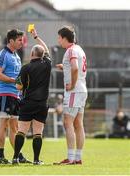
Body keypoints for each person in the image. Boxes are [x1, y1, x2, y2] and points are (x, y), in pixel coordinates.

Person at [12, 27, 51, 165]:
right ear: (43, 55)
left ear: (32, 54)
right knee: (38, 133)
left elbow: (18, 86)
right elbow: (46, 49)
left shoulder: (25, 68)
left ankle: (15, 158)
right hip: (42, 104)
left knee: (21, 131)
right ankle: (36, 160)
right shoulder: (47, 64)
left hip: (28, 103)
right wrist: (36, 37)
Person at [0, 29, 31, 164]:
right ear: (11, 41)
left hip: (15, 95)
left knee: (14, 127)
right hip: (5, 94)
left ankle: (18, 155)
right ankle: (0, 156)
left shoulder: (16, 55)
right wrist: (13, 80)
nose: (22, 42)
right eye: (19, 40)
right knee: (3, 124)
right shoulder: (3, 55)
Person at [54, 25, 87, 165]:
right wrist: (64, 67)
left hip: (74, 91)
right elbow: (74, 67)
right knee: (78, 124)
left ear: (63, 37)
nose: (58, 40)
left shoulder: (71, 50)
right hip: (82, 89)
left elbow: (75, 68)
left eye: (59, 37)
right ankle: (78, 158)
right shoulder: (79, 49)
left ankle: (70, 158)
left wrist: (72, 85)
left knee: (68, 122)